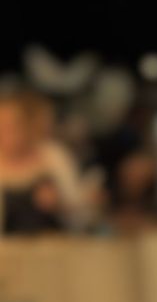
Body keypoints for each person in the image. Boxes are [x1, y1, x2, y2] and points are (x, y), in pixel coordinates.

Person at [0, 85, 90, 235]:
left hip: (55, 246)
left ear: (28, 126)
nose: (4, 133)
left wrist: (59, 204)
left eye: (11, 126)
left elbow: (82, 218)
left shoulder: (53, 156)